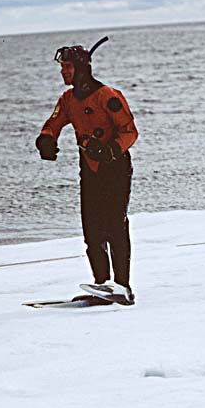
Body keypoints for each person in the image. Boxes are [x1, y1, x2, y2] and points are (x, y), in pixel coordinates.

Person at [35, 37, 138, 304]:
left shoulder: (108, 97)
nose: (63, 72)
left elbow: (130, 131)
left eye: (67, 67)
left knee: (115, 226)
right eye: (63, 67)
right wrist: (46, 139)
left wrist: (111, 150)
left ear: (81, 69)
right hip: (89, 170)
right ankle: (102, 284)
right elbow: (54, 122)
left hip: (115, 169)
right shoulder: (68, 99)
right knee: (92, 230)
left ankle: (122, 286)